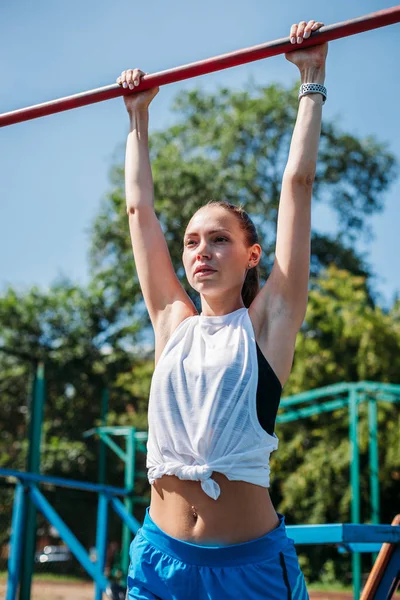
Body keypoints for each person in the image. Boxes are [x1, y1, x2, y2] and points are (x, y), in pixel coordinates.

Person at [117, 18, 328, 600]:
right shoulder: (171, 322)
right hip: (158, 563)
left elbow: (299, 183)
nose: (201, 251)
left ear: (252, 254)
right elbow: (139, 211)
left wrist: (312, 78)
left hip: (250, 573)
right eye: (191, 241)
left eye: (218, 239)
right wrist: (138, 116)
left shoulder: (268, 323)